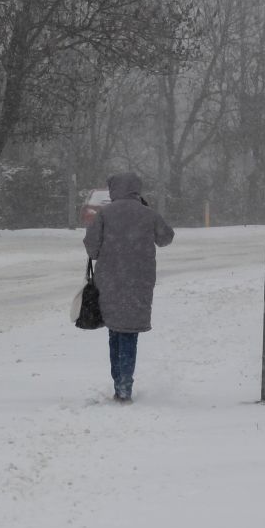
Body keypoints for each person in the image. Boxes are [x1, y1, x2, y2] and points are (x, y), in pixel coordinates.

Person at [83, 172, 175, 403]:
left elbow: (92, 248)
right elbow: (165, 238)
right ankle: (125, 385)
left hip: (110, 279)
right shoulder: (148, 214)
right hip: (139, 280)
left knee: (115, 330)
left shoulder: (105, 214)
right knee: (129, 333)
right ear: (137, 189)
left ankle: (119, 383)